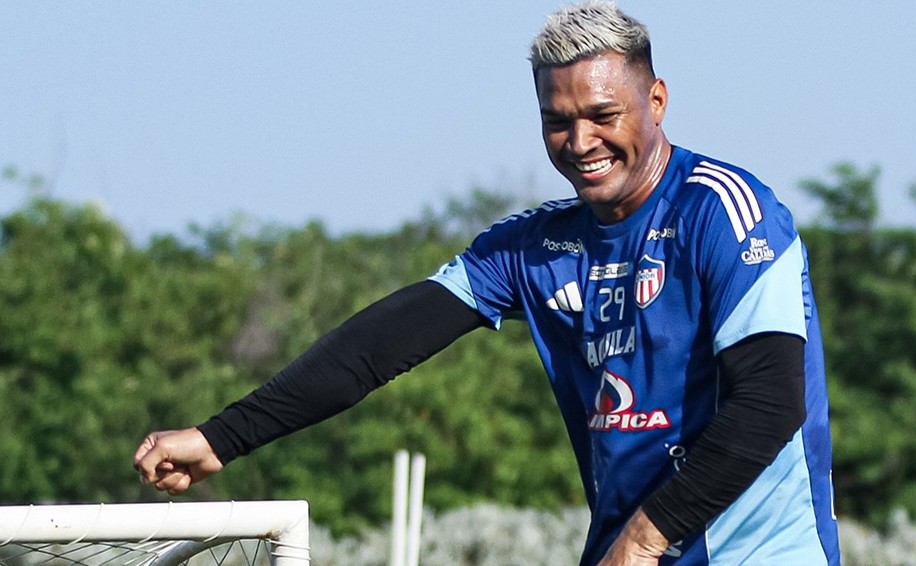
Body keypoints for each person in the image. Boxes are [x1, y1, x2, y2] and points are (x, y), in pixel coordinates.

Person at [134, 2, 841, 564]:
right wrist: (221, 437)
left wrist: (645, 537)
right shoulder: (531, 246)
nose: (582, 142)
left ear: (655, 100)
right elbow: (377, 348)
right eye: (557, 122)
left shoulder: (725, 209)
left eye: (603, 115)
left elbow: (771, 404)